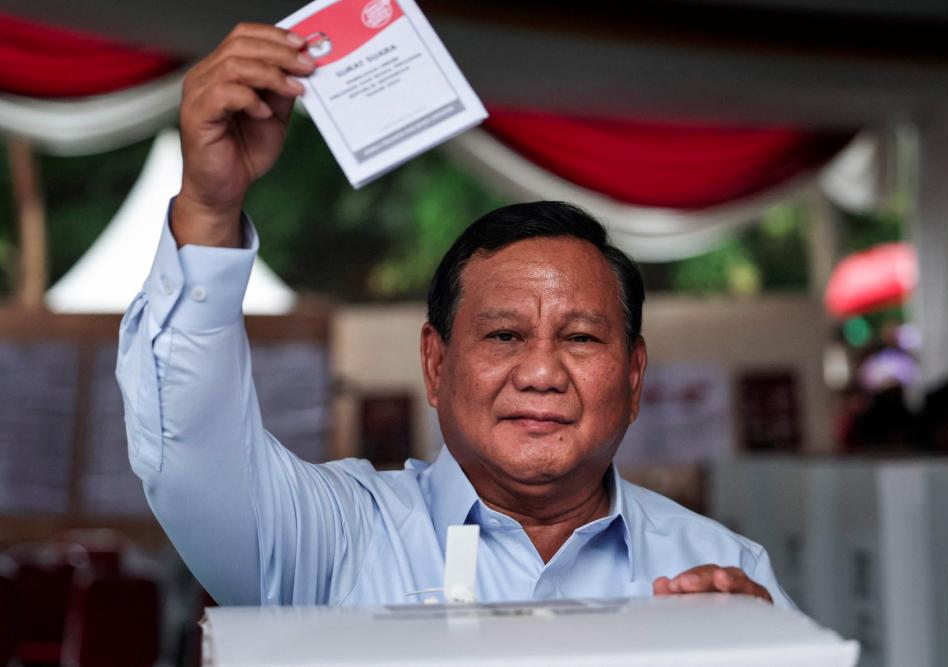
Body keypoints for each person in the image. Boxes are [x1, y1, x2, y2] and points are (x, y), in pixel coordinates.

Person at [117, 23, 791, 608]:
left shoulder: (720, 574)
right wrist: (208, 210)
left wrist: (765, 646)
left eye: (581, 337)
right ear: (436, 363)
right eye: (504, 335)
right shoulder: (333, 540)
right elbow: (191, 456)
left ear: (635, 375)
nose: (541, 371)